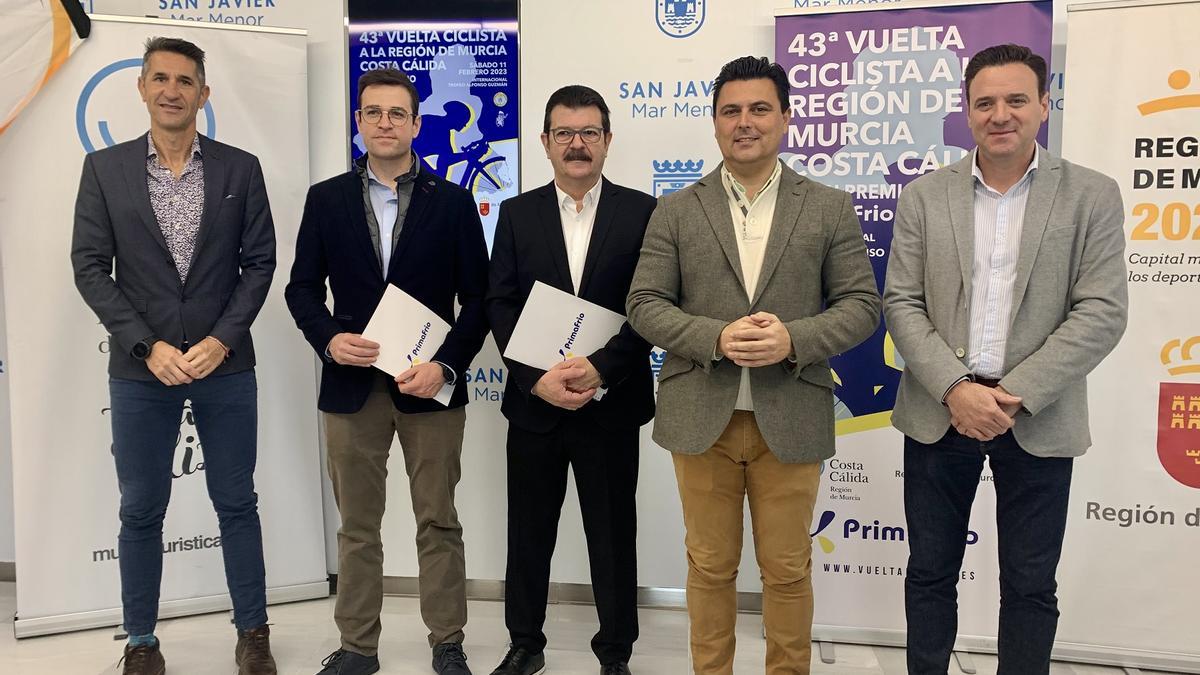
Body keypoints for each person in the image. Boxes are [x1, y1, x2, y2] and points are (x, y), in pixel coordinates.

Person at [626, 56, 881, 675]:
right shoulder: (678, 209)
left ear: (786, 118)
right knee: (709, 568)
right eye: (731, 111)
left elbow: (863, 306)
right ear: (715, 123)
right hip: (701, 417)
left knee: (788, 569)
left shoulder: (827, 206)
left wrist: (792, 338)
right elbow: (643, 304)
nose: (745, 122)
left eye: (759, 109)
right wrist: (717, 336)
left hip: (790, 414)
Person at [883, 43, 1128, 675]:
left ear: (1045, 105)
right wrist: (957, 388)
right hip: (941, 411)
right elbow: (902, 303)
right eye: (985, 102)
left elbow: (1102, 312)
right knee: (930, 574)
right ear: (966, 111)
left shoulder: (1091, 196)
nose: (1001, 114)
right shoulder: (924, 196)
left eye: (1017, 99)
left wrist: (1013, 393)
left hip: (1038, 416)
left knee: (1028, 585)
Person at [70, 36, 277, 675]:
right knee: (141, 508)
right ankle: (140, 641)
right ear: (141, 87)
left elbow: (259, 264)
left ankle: (253, 633)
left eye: (185, 81)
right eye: (159, 78)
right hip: (141, 369)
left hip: (225, 365)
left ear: (203, 94)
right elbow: (89, 266)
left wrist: (220, 340)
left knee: (236, 500)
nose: (171, 90)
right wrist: (145, 343)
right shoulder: (104, 170)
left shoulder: (241, 170)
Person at [284, 67, 489, 675]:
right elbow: (300, 290)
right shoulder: (326, 199)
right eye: (372, 113)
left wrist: (446, 365)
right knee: (357, 526)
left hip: (429, 389)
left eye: (397, 113)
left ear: (416, 124)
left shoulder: (451, 203)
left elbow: (478, 302)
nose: (384, 123)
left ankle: (447, 641)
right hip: (351, 388)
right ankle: (357, 647)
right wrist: (328, 340)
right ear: (358, 123)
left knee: (438, 519)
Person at [485, 85, 656, 675]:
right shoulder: (516, 213)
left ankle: (615, 653)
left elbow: (653, 307)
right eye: (565, 133)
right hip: (534, 405)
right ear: (545, 142)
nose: (577, 144)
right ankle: (525, 645)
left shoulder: (643, 213)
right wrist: (537, 379)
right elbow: (499, 304)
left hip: (611, 402)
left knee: (612, 535)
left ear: (607, 140)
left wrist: (601, 369)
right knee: (528, 532)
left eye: (588, 132)